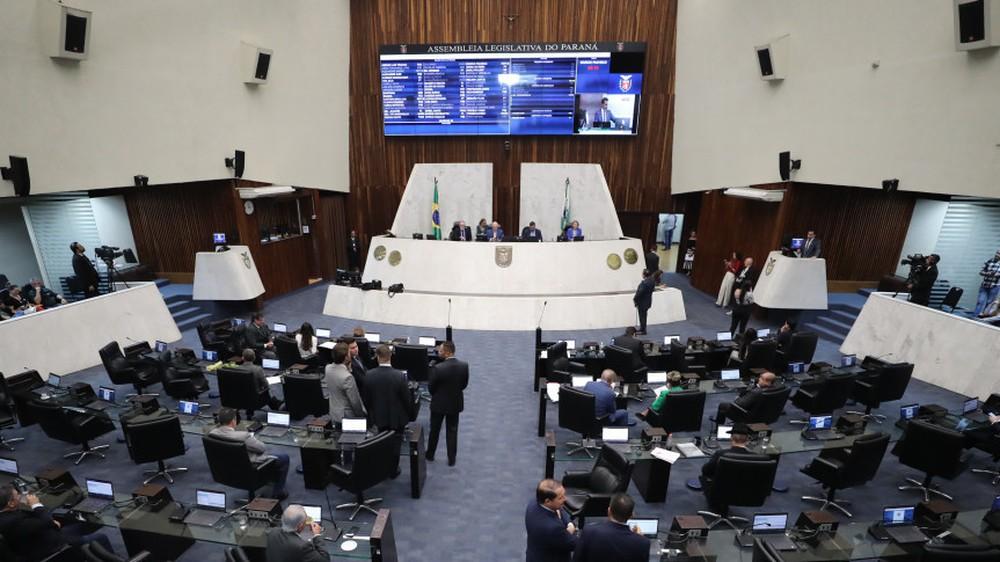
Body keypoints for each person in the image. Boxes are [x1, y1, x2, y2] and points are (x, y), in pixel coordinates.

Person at [0, 484, 115, 560]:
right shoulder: (14, 522)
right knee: (100, 537)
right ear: (11, 503)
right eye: (17, 496)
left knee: (83, 525)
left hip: (39, 538)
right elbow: (47, 521)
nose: (21, 497)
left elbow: (41, 524)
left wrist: (50, 523)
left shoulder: (6, 516)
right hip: (53, 548)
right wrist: (36, 505)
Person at [209, 407, 290, 500]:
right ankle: (278, 493)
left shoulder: (212, 433)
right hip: (250, 470)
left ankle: (269, 479)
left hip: (226, 471)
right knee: (284, 458)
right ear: (233, 421)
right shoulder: (243, 436)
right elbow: (262, 448)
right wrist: (252, 439)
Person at [572, 493, 648, 562]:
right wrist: (638, 538)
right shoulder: (643, 543)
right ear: (631, 516)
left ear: (609, 511)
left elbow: (577, 559)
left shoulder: (589, 532)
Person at [427, 340, 469, 466]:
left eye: (440, 351)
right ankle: (452, 459)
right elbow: (464, 385)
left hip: (438, 404)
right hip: (455, 403)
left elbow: (431, 388)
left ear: (447, 352)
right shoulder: (464, 366)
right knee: (452, 431)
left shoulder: (437, 368)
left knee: (434, 430)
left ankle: (430, 454)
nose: (438, 352)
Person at [364, 344, 414, 432]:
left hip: (377, 419)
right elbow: (406, 399)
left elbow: (367, 399)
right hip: (396, 420)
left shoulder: (369, 375)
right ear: (390, 355)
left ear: (377, 357)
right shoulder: (399, 376)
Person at [525, 479, 577, 562]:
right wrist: (571, 530)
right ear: (548, 501)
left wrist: (569, 523)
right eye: (560, 498)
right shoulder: (553, 528)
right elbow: (573, 544)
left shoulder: (534, 503)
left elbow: (561, 510)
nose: (565, 499)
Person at [714, 371, 779, 426]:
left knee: (723, 406)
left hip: (750, 418)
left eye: (761, 378)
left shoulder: (756, 392)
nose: (759, 379)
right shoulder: (777, 390)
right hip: (766, 416)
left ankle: (719, 425)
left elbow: (738, 404)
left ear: (767, 382)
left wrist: (738, 398)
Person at [700, 423, 751, 489]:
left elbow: (705, 471)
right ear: (747, 440)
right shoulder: (756, 457)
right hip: (746, 491)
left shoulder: (720, 454)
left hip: (721, 490)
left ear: (731, 438)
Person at [324, 342, 366, 422]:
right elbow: (355, 402)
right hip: (347, 416)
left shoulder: (327, 368)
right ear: (346, 357)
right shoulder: (347, 377)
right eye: (349, 353)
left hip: (334, 413)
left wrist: (348, 369)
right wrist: (361, 416)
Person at [975, 250, 1000, 316]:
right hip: (984, 285)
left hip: (995, 286)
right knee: (980, 301)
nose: (997, 255)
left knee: (989, 303)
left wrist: (996, 274)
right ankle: (975, 316)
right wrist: (987, 273)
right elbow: (981, 272)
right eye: (997, 253)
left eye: (999, 254)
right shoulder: (989, 261)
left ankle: (983, 317)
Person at [633, 269, 655, 335]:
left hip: (642, 302)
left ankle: (643, 330)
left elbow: (640, 293)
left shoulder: (644, 283)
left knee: (642, 316)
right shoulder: (652, 281)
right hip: (647, 301)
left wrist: (635, 299)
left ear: (644, 275)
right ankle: (642, 328)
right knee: (644, 316)